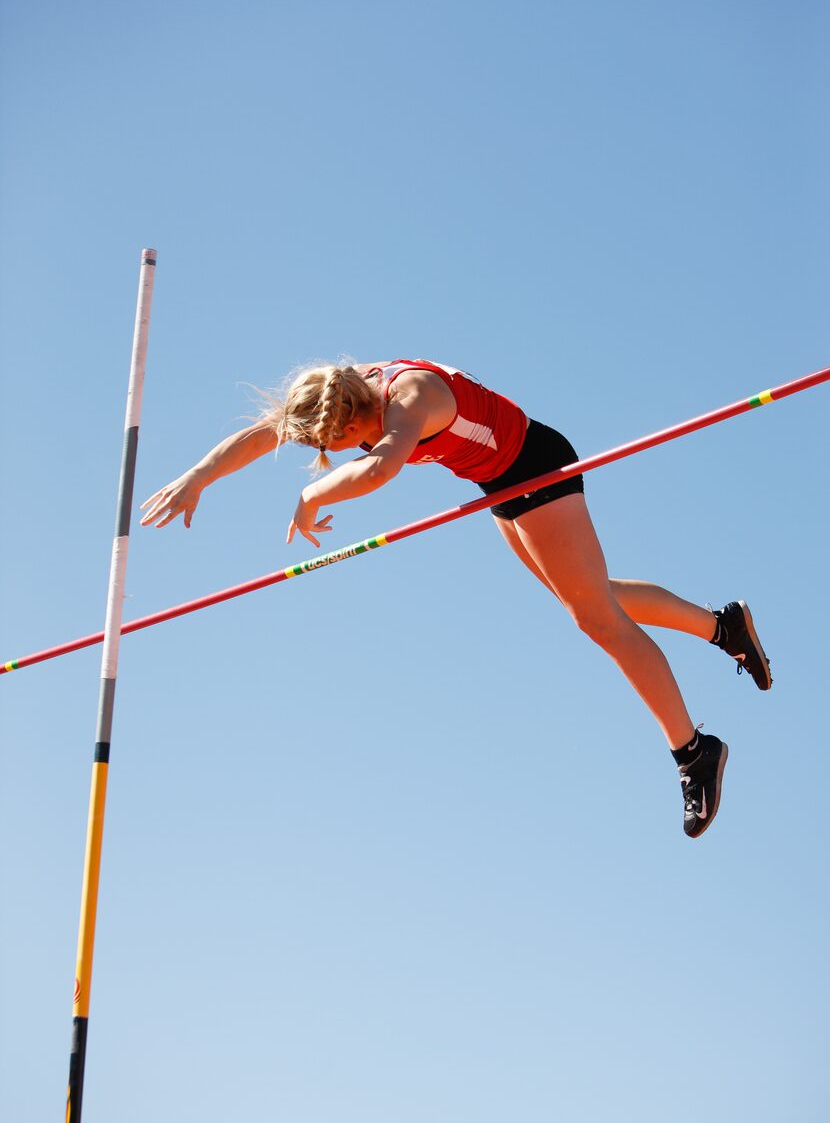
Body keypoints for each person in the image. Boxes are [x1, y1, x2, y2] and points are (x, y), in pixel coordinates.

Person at [141, 358, 772, 838]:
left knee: (597, 621)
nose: (338, 451)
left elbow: (383, 467)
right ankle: (723, 627)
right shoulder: (340, 394)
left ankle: (695, 751)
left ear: (357, 418)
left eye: (340, 442)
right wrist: (199, 476)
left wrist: (314, 496)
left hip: (535, 467)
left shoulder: (408, 398)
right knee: (590, 600)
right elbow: (261, 436)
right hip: (499, 481)